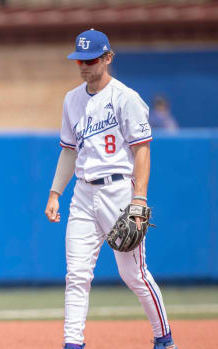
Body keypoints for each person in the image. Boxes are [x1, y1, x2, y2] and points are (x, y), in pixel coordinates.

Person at [44, 29, 177, 349]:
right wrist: (54, 193)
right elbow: (69, 150)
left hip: (118, 192)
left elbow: (141, 150)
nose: (83, 66)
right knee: (76, 275)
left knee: (135, 275)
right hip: (83, 193)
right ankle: (72, 343)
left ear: (107, 58)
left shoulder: (126, 98)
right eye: (79, 60)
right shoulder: (71, 99)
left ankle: (164, 339)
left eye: (90, 59)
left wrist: (139, 199)